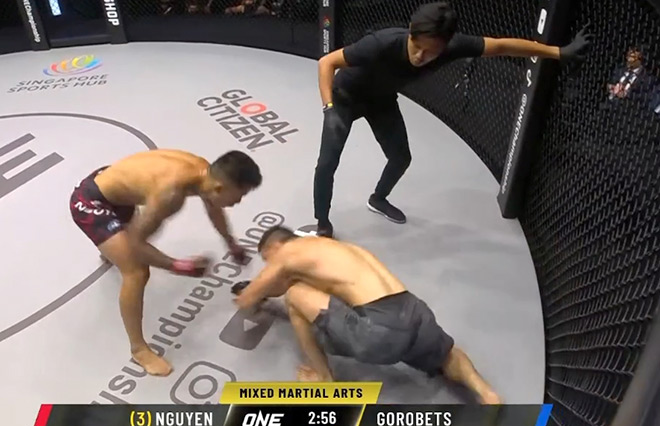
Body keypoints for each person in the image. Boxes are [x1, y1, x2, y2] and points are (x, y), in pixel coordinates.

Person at [313, 1, 592, 237]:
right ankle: (323, 224)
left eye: (430, 52)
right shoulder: (381, 43)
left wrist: (558, 52)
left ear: (444, 46)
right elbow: (327, 62)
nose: (420, 56)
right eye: (416, 47)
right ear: (410, 32)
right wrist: (329, 108)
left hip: (381, 100)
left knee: (401, 158)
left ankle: (378, 198)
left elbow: (500, 46)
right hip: (345, 97)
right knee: (328, 162)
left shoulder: (452, 46)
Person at [232, 226, 501, 405]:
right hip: (414, 311)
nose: (269, 265)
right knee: (447, 353)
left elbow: (248, 300)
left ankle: (324, 378)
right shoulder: (329, 247)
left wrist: (253, 293)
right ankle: (486, 392)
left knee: (294, 295)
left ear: (277, 246)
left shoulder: (286, 253)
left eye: (267, 259)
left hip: (379, 330)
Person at [69, 149, 262, 376]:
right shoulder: (170, 194)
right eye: (240, 195)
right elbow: (136, 243)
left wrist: (231, 242)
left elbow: (213, 208)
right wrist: (177, 266)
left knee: (127, 243)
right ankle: (139, 349)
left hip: (117, 191)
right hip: (91, 202)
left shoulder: (205, 172)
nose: (239, 202)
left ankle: (111, 248)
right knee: (137, 272)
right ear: (220, 188)